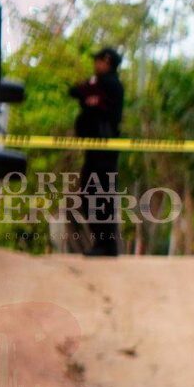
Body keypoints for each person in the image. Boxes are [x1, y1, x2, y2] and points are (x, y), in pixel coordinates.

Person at [68, 47, 123, 257]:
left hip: (104, 148)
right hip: (95, 148)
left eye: (99, 61)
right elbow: (76, 91)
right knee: (89, 193)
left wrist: (89, 93)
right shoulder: (99, 83)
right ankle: (103, 243)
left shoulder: (109, 84)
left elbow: (86, 95)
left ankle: (106, 244)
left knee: (100, 194)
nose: (95, 65)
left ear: (107, 62)